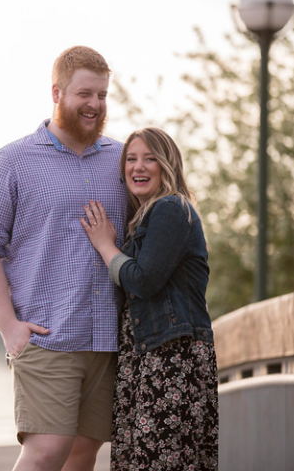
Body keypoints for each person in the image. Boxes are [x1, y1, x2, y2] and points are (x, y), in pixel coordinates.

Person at [0, 46, 128, 471]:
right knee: (46, 451)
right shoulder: (13, 161)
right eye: (85, 94)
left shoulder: (123, 159)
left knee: (83, 452)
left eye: (103, 95)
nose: (94, 105)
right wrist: (8, 327)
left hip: (107, 337)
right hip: (47, 334)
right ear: (57, 93)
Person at [80, 127, 219, 470]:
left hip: (171, 359)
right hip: (144, 359)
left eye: (150, 158)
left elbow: (143, 282)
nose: (138, 167)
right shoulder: (143, 218)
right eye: (131, 159)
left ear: (167, 164)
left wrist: (104, 245)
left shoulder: (172, 208)